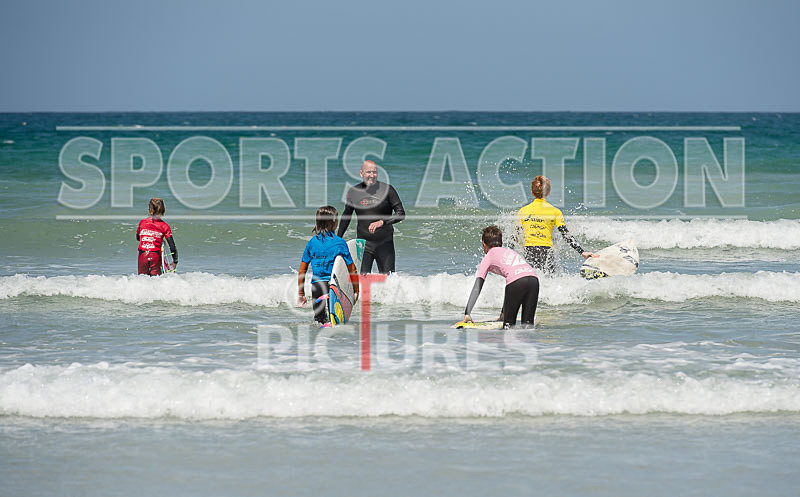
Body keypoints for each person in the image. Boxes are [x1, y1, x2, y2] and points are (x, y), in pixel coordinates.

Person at [463, 226, 539, 329]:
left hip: (517, 282)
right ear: (500, 243)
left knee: (508, 327)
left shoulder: (488, 257)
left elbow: (478, 286)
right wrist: (504, 313)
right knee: (528, 326)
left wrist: (467, 313)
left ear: (483, 244)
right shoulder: (510, 252)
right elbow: (514, 285)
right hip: (534, 280)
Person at [517, 175, 595, 275]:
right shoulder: (555, 211)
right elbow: (566, 235)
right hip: (547, 252)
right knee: (549, 282)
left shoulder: (522, 211)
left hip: (529, 251)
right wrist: (582, 252)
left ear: (532, 192)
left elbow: (515, 236)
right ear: (548, 192)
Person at [337, 160, 405, 273]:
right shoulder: (354, 192)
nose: (372, 175)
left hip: (385, 243)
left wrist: (382, 222)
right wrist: (338, 239)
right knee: (362, 281)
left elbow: (401, 214)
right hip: (363, 245)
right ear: (361, 173)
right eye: (368, 172)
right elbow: (347, 215)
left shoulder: (388, 190)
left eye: (375, 172)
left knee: (387, 280)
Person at [298, 206, 360, 326]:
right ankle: (334, 342)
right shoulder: (339, 243)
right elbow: (351, 268)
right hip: (335, 286)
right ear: (333, 222)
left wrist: (301, 294)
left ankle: (320, 342)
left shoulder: (311, 243)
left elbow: (302, 270)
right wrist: (356, 290)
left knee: (319, 320)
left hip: (317, 286)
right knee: (335, 320)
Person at [136, 197, 178, 276]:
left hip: (143, 255)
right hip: (155, 255)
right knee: (156, 281)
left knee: (142, 280)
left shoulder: (142, 222)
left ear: (150, 209)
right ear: (163, 209)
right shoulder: (164, 226)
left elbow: (138, 238)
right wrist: (175, 261)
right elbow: (172, 246)